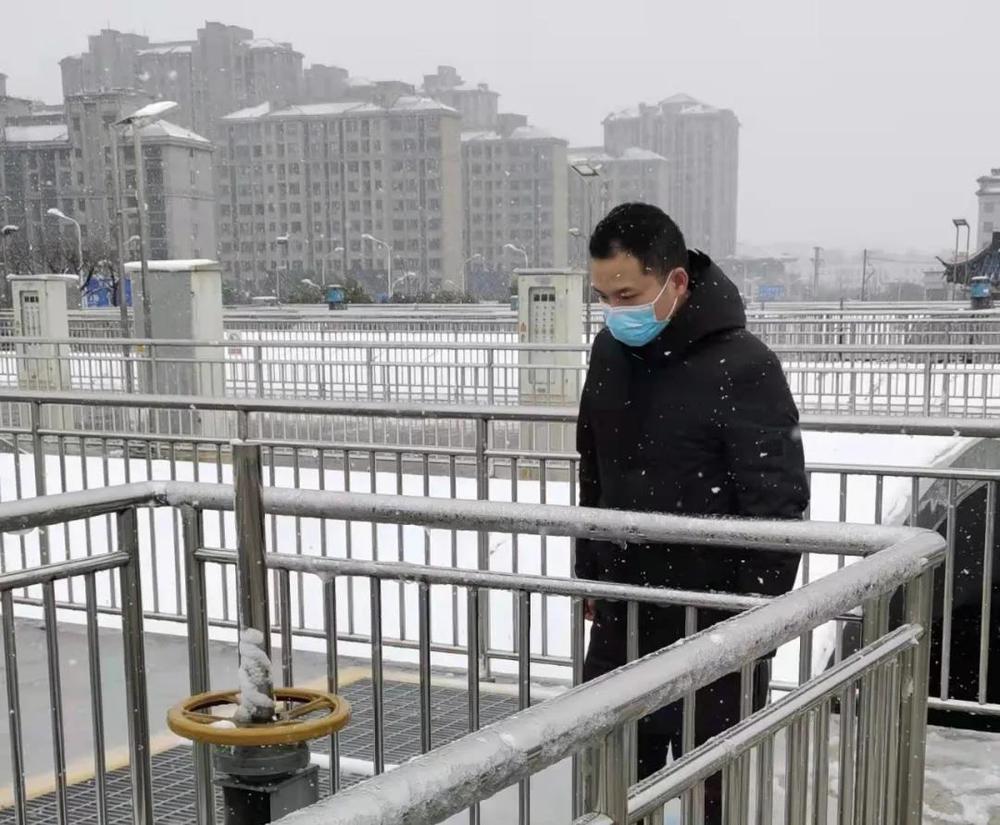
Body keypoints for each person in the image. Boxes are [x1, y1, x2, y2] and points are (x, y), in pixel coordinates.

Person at [576, 203, 809, 819]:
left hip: (715, 623)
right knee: (614, 779)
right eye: (603, 297)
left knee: (714, 787)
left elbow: (777, 503)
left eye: (627, 295)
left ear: (675, 281)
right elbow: (593, 468)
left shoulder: (745, 366)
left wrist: (753, 620)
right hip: (625, 610)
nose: (615, 311)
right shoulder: (609, 352)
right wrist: (590, 572)